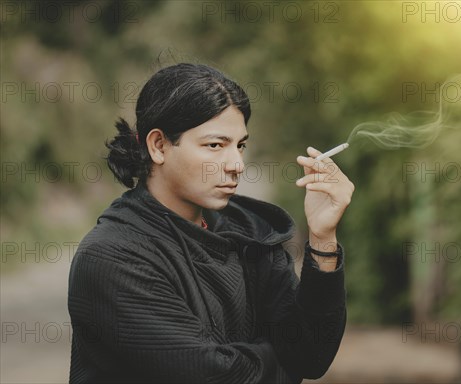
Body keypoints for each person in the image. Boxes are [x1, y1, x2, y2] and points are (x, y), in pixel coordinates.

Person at [67, 63, 355, 383]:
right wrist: (282, 359)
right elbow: (212, 376)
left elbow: (310, 356)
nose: (237, 164)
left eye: (240, 145)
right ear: (159, 146)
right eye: (215, 145)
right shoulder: (112, 256)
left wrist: (323, 236)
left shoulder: (251, 235)